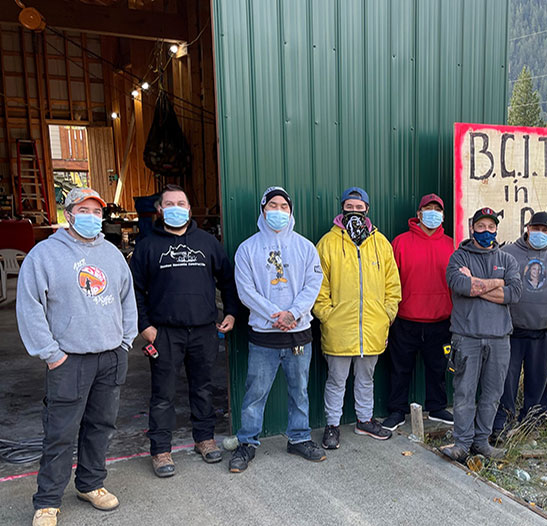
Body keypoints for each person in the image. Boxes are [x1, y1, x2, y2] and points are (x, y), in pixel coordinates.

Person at [16, 187, 137, 526]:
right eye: (83, 210)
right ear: (68, 214)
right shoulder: (45, 256)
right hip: (69, 360)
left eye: (96, 212)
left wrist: (125, 342)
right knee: (60, 432)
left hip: (110, 356)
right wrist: (52, 355)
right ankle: (47, 501)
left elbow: (127, 300)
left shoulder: (112, 255)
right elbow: (29, 307)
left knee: (101, 426)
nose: (91, 217)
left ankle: (90, 484)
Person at [130, 184, 240, 477]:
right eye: (170, 203)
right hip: (164, 333)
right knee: (163, 394)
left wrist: (230, 311)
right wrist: (146, 327)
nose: (176, 207)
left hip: (204, 329)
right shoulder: (146, 246)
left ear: (189, 210)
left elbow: (227, 279)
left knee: (203, 388)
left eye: (181, 202)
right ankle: (161, 450)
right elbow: (134, 291)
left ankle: (204, 439)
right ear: (160, 210)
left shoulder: (207, 242)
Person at [230, 186, 326, 472]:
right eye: (273, 205)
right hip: (264, 336)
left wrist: (294, 314)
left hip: (299, 334)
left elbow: (313, 285)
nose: (279, 211)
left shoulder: (305, 247)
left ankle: (299, 438)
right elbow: (245, 290)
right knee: (255, 392)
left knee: (300, 390)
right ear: (263, 209)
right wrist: (275, 315)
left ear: (291, 211)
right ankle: (247, 442)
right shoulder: (247, 249)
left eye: (284, 206)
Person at [315, 187, 401, 449]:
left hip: (373, 328)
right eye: (349, 207)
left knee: (366, 378)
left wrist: (386, 316)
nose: (354, 212)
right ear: (342, 208)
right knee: (336, 380)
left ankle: (364, 420)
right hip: (339, 328)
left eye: (359, 207)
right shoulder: (327, 243)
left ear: (367, 210)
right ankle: (332, 425)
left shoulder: (381, 243)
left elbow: (392, 286)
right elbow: (318, 288)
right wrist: (327, 316)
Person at [440, 207, 522, 461]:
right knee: (464, 392)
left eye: (490, 227)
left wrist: (477, 283)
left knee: (492, 393)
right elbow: (460, 285)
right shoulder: (459, 258)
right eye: (481, 226)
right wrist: (497, 283)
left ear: (496, 229)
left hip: (499, 338)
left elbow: (515, 293)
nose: (486, 231)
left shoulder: (507, 259)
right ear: (472, 228)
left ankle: (481, 441)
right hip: (467, 337)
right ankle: (461, 444)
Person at [492, 210, 547, 440]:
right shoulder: (507, 253)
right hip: (511, 330)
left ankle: (532, 422)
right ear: (527, 228)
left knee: (539, 380)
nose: (540, 233)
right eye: (536, 229)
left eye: (545, 230)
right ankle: (503, 420)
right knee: (505, 378)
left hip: (543, 330)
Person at [382, 193, 455, 430]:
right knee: (400, 369)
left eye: (437, 209)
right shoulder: (400, 242)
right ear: (419, 214)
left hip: (441, 320)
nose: (433, 212)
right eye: (428, 208)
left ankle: (437, 407)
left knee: (437, 368)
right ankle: (396, 411)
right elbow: (389, 281)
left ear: (443, 215)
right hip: (405, 320)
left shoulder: (452, 244)